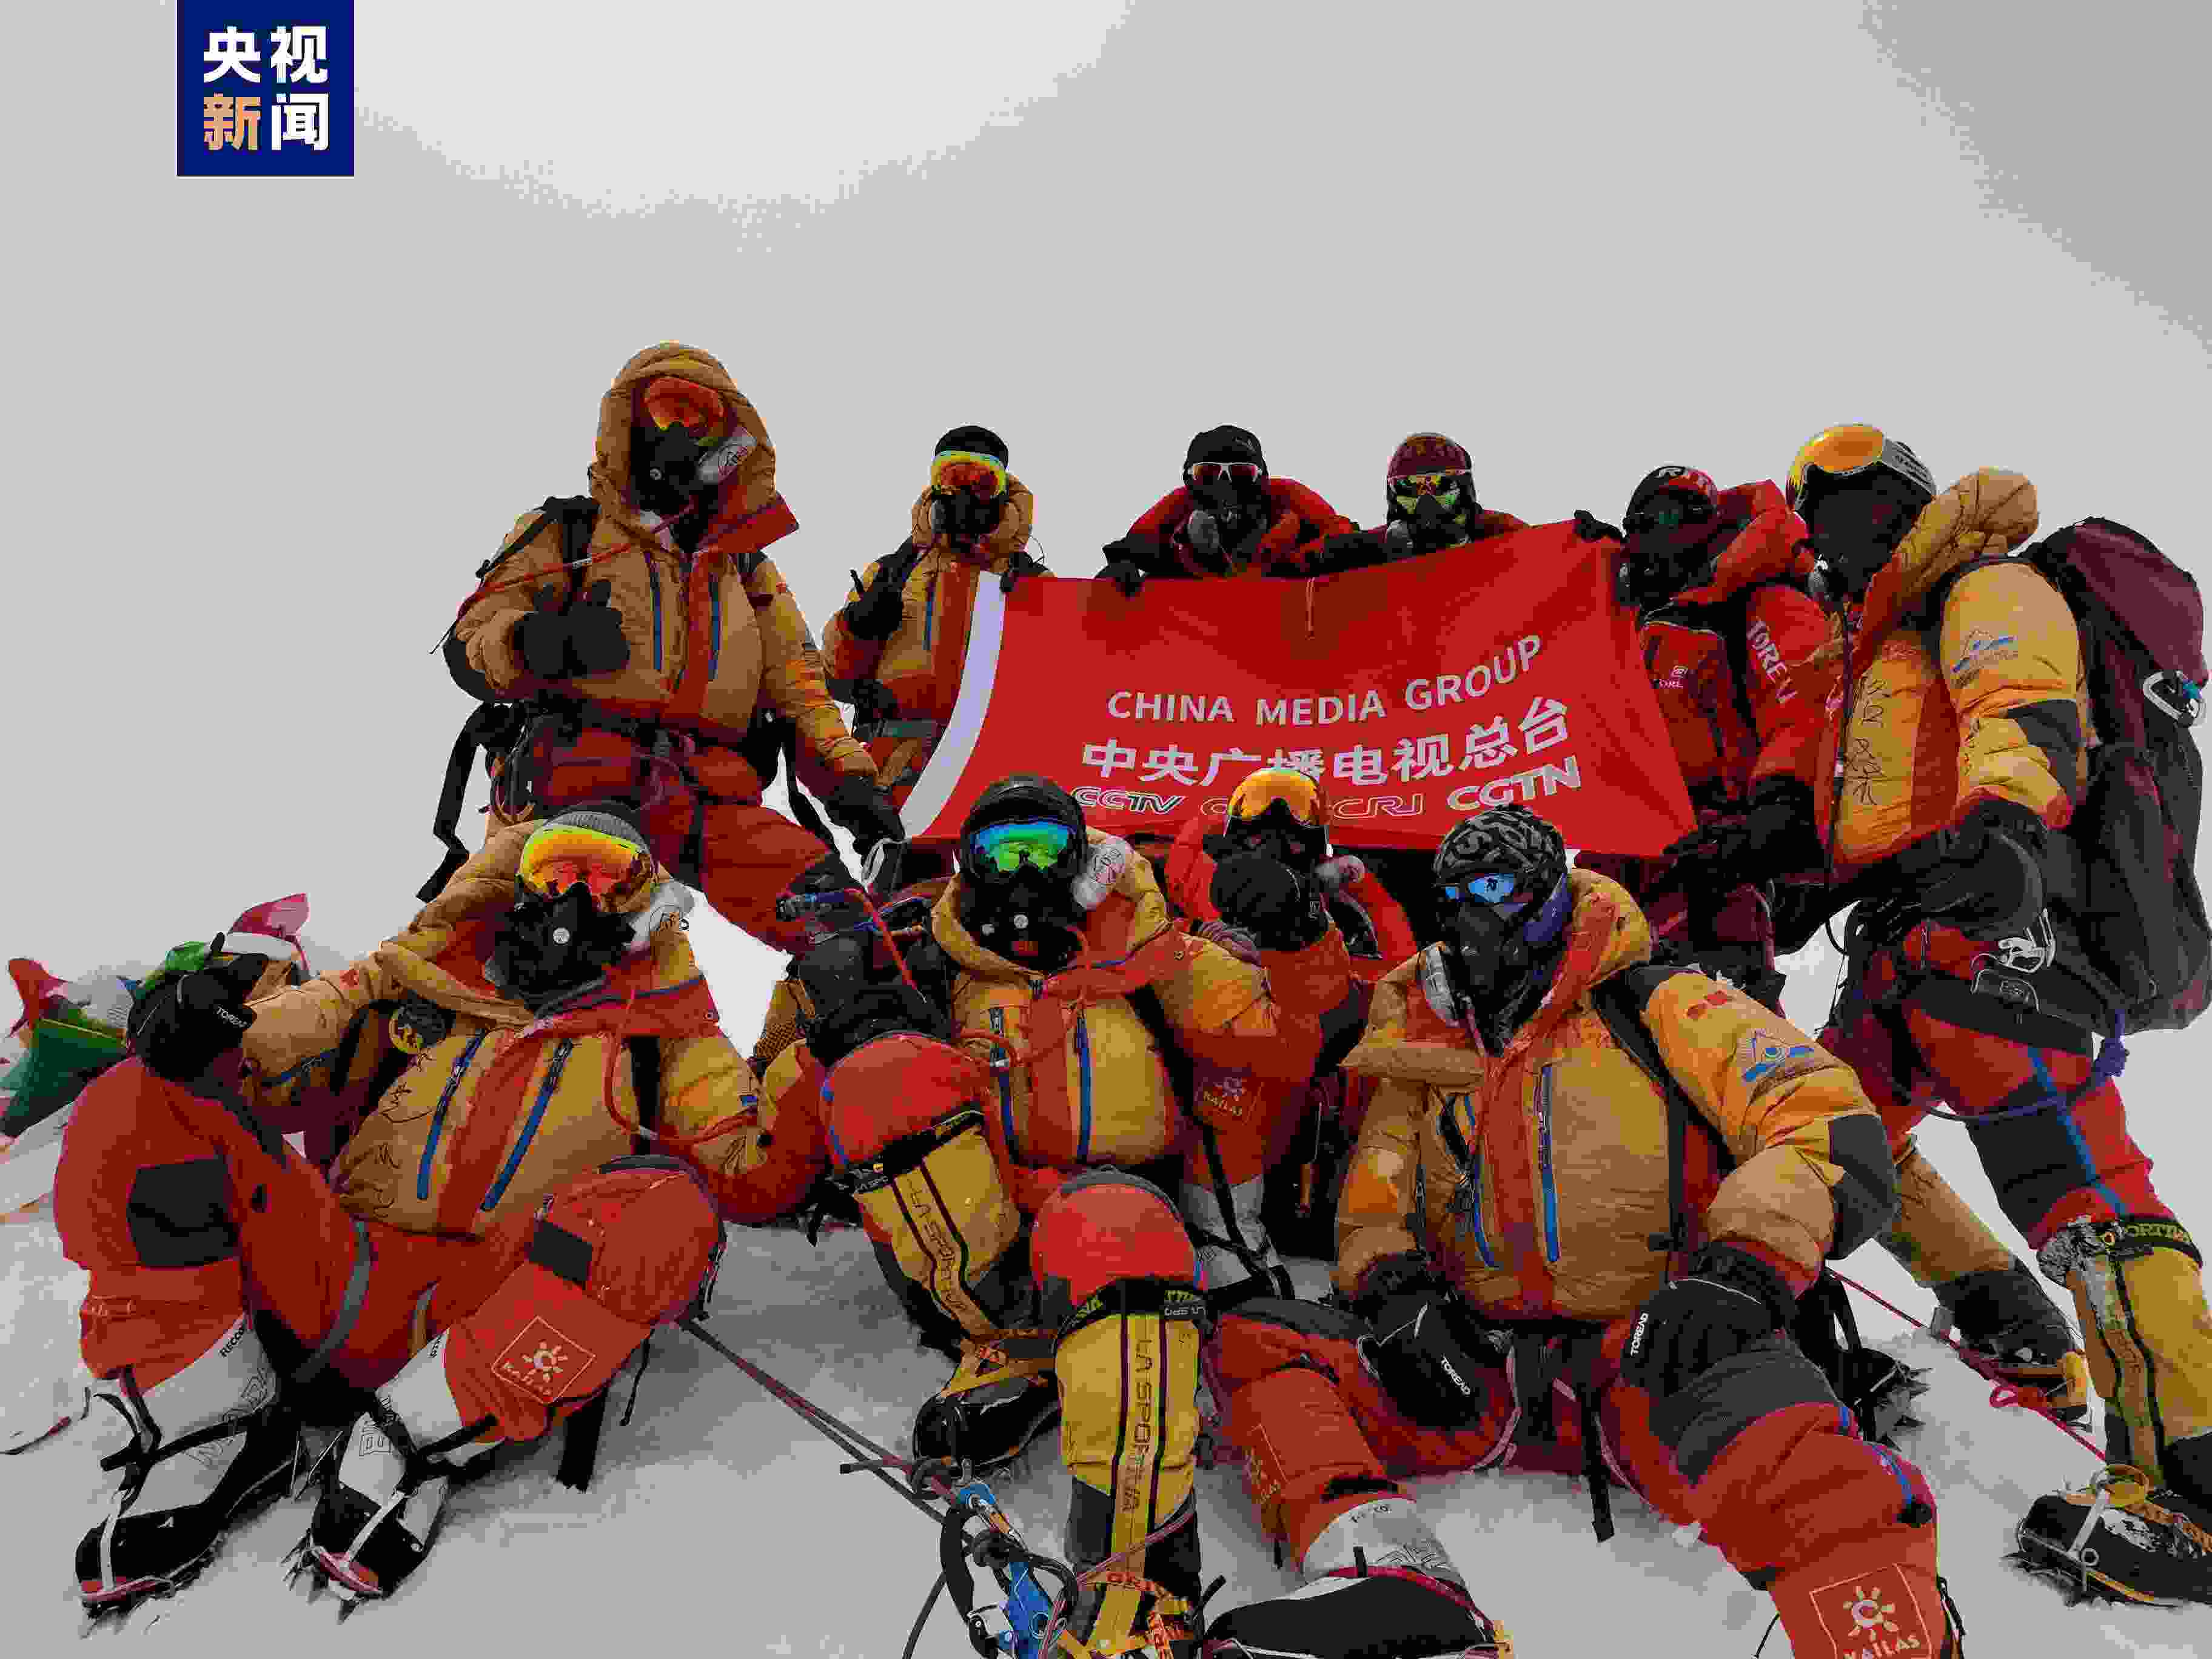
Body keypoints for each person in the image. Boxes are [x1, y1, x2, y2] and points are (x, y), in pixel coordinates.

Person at [1199, 804, 1962, 1659]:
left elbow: (1823, 1117)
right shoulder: (1423, 1039)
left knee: (1817, 1482)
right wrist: (1397, 1295)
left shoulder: (1662, 1001)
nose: (1473, 915)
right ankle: (1393, 1582)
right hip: (1482, 1366)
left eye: (1495, 887)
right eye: (1456, 896)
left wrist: (1743, 1271)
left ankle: (1883, 1640)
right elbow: (1377, 1198)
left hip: (1660, 1353)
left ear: (1550, 895)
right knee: (1256, 1343)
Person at [53, 807, 813, 1617]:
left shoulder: (670, 1036)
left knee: (666, 1206)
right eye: (556, 869)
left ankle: (412, 1441)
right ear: (518, 881)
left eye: (604, 877)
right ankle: (213, 1425)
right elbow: (261, 1055)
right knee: (138, 1097)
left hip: (493, 1309)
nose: (573, 897)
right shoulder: (419, 979)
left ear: (647, 906)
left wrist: (814, 1051)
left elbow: (750, 1175)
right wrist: (199, 1025)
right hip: (339, 1273)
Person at [1781, 422, 2212, 1603]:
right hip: (1900, 952)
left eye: (1845, 499)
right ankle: (2007, 1323)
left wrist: (2011, 827)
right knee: (1823, 1143)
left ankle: (2190, 1485)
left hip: (1992, 938)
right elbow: (1880, 799)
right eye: (1811, 510)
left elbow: (2025, 707)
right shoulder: (1881, 646)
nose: (1824, 528)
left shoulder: (1985, 586)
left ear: (1902, 499)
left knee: (2081, 1188)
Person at [801, 773, 1362, 1657]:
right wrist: (827, 1030)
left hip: (1117, 1215)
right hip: (986, 1239)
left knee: (1116, 1225)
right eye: (1001, 852)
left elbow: (1291, 1041)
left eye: (1044, 849)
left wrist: (1299, 939)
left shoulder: (1152, 954)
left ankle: (1136, 1587)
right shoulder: (928, 961)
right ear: (967, 864)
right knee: (883, 1074)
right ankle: (1016, 1338)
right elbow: (780, 1142)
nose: (1023, 872)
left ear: (1083, 861)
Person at [1583, 464, 2085, 1415]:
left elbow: (1802, 713)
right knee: (1833, 1117)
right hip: (1644, 892)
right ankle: (2004, 1313)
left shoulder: (1755, 603)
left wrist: (1771, 815)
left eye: (1680, 514)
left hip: (1723, 888)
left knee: (1745, 1109)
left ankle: (1798, 1341)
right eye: (1643, 519)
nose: (1659, 532)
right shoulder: (1636, 626)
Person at [448, 342, 904, 956]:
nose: (682, 431)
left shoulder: (746, 571)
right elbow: (474, 638)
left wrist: (856, 793)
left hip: (711, 796)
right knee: (554, 951)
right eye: (667, 409)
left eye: (701, 417)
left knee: (850, 936)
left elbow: (802, 694)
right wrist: (543, 642)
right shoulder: (569, 532)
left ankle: (866, 1000)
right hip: (577, 785)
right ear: (630, 421)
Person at [1156, 765, 1418, 1259]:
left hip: (1311, 1112)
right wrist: (1207, 943)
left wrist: (1355, 891)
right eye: (1257, 837)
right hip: (1219, 1111)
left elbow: (1396, 967)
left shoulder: (1334, 921)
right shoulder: (1200, 909)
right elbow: (1180, 871)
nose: (1272, 850)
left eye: (1292, 839)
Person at [817, 426, 1046, 834]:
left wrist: (1112, 607)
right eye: (953, 477)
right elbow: (836, 679)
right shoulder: (894, 570)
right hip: (901, 766)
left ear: (1001, 491)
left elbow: (1066, 677)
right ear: (935, 485)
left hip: (997, 764)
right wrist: (858, 628)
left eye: (981, 481)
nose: (965, 493)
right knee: (907, 871)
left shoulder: (1031, 582)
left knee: (1001, 864)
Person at [1098, 426, 1355, 597]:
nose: (1225, 485)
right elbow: (1135, 545)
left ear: (1262, 480)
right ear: (1190, 481)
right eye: (1207, 473)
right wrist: (1114, 579)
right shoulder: (1175, 516)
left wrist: (1299, 565)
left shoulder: (1290, 505)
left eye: (1241, 473)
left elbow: (1342, 536)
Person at [1300, 432, 1527, 576]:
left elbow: (1542, 557)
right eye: (1410, 488)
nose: (1426, 502)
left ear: (1464, 489)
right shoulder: (1371, 547)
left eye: (1440, 485)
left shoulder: (1500, 532)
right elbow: (1303, 565)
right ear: (1394, 495)